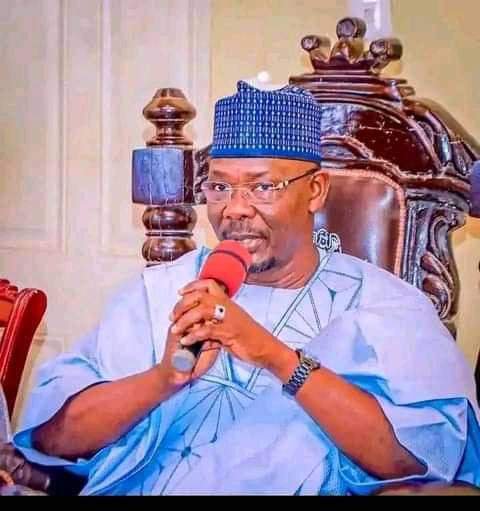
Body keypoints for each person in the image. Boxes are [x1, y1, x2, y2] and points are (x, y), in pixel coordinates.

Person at [14, 81, 480, 495]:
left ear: (316, 190)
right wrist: (165, 378)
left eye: (262, 187)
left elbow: (415, 464)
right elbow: (53, 440)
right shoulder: (159, 292)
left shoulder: (385, 306)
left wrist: (273, 355)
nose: (234, 209)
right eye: (219, 187)